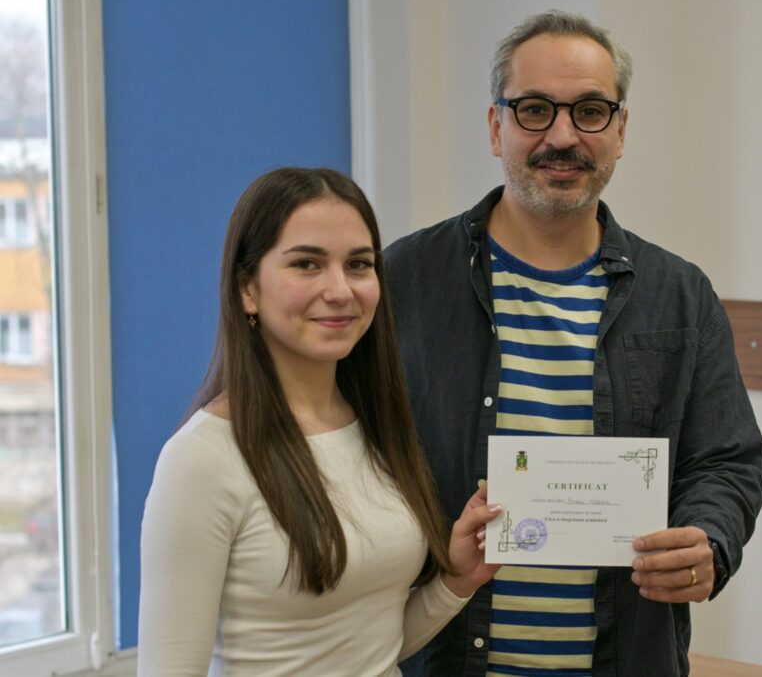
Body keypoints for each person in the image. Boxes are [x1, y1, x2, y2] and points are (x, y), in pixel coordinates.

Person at [384, 10, 762, 677]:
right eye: (535, 109)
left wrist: (709, 538)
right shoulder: (405, 280)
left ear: (620, 131)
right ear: (495, 126)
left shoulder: (679, 295)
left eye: (590, 111)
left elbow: (727, 460)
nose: (562, 137)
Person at [138, 167, 502, 676]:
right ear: (247, 289)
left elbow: (372, 649)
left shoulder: (376, 426)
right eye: (307, 264)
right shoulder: (201, 459)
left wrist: (456, 581)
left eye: (358, 264)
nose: (340, 290)